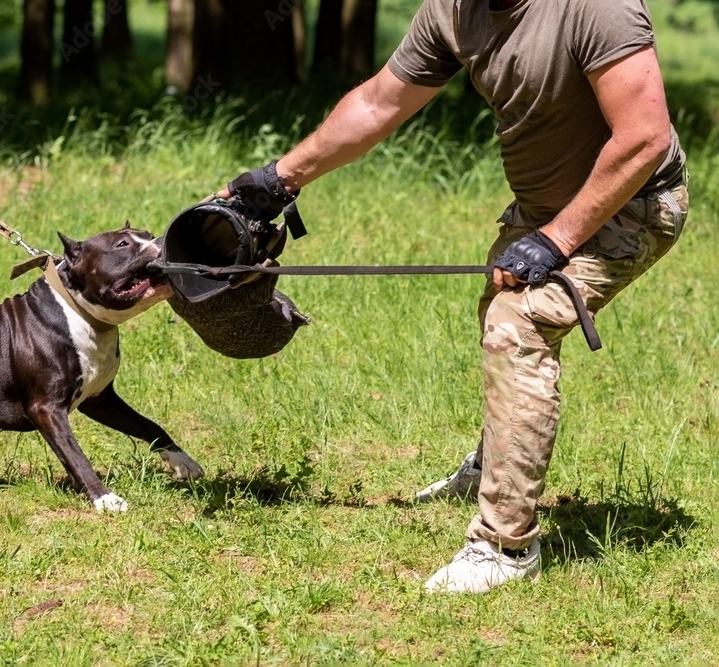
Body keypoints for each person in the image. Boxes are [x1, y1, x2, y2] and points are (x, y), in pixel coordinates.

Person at [217, 0, 687, 594]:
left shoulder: (596, 6)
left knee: (519, 325)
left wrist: (556, 241)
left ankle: (505, 546)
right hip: (547, 209)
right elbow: (379, 102)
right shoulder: (454, 9)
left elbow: (645, 136)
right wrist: (279, 178)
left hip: (636, 203)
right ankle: (496, 467)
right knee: (499, 307)